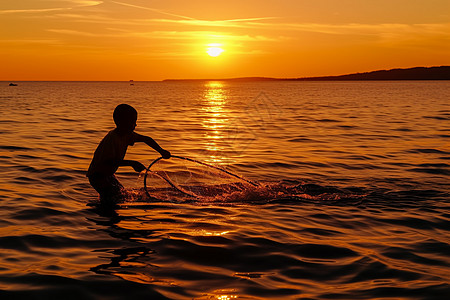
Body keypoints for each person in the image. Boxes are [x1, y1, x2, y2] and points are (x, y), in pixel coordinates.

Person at [87, 104, 170, 203]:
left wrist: (161, 151)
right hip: (97, 176)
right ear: (122, 122)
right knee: (112, 198)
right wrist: (132, 163)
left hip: (108, 174)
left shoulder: (127, 135)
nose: (135, 125)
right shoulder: (112, 138)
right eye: (133, 121)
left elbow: (146, 139)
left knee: (121, 194)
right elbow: (109, 161)